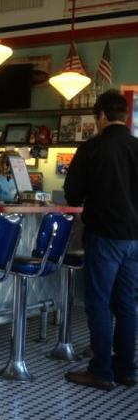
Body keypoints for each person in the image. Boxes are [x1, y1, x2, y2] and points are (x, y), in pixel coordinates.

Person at [64, 89, 138, 391]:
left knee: (99, 303)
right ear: (125, 116)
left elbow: (72, 195)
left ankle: (101, 371)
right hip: (134, 238)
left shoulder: (92, 148)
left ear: (102, 116)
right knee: (126, 303)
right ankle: (127, 370)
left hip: (104, 235)